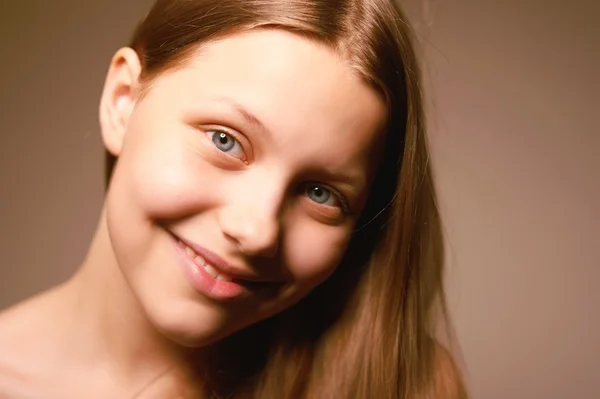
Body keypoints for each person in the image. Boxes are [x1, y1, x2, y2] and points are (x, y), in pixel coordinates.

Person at [0, 0, 467, 397]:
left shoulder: (407, 384)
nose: (258, 231)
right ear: (123, 101)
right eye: (225, 140)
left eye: (320, 193)